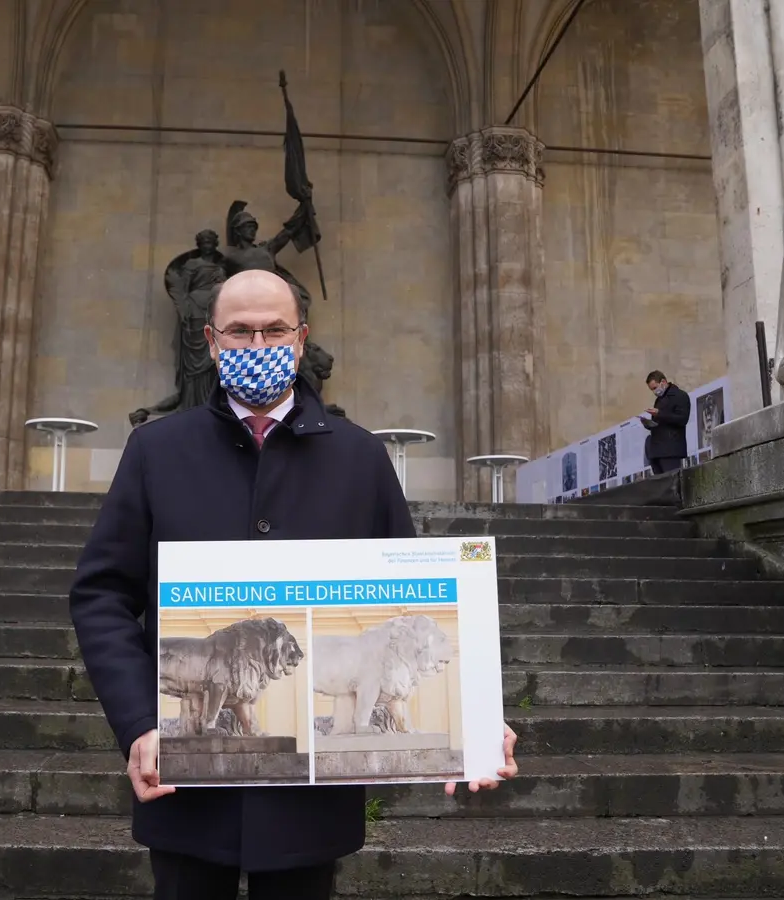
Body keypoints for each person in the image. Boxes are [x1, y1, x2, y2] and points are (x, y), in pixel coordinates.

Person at [69, 269, 518, 900]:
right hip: (186, 788)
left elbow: (418, 598)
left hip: (312, 801)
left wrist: (474, 720)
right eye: (240, 332)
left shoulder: (360, 459)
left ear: (302, 339)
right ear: (210, 339)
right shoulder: (155, 451)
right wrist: (141, 722)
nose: (258, 346)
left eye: (275, 329)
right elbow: (102, 594)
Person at [639, 370, 691, 474]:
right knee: (660, 486)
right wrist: (648, 424)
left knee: (671, 484)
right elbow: (659, 423)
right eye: (651, 390)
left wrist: (659, 414)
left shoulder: (680, 395)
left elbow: (682, 419)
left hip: (671, 450)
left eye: (655, 388)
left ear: (663, 382)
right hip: (657, 451)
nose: (654, 392)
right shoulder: (659, 400)